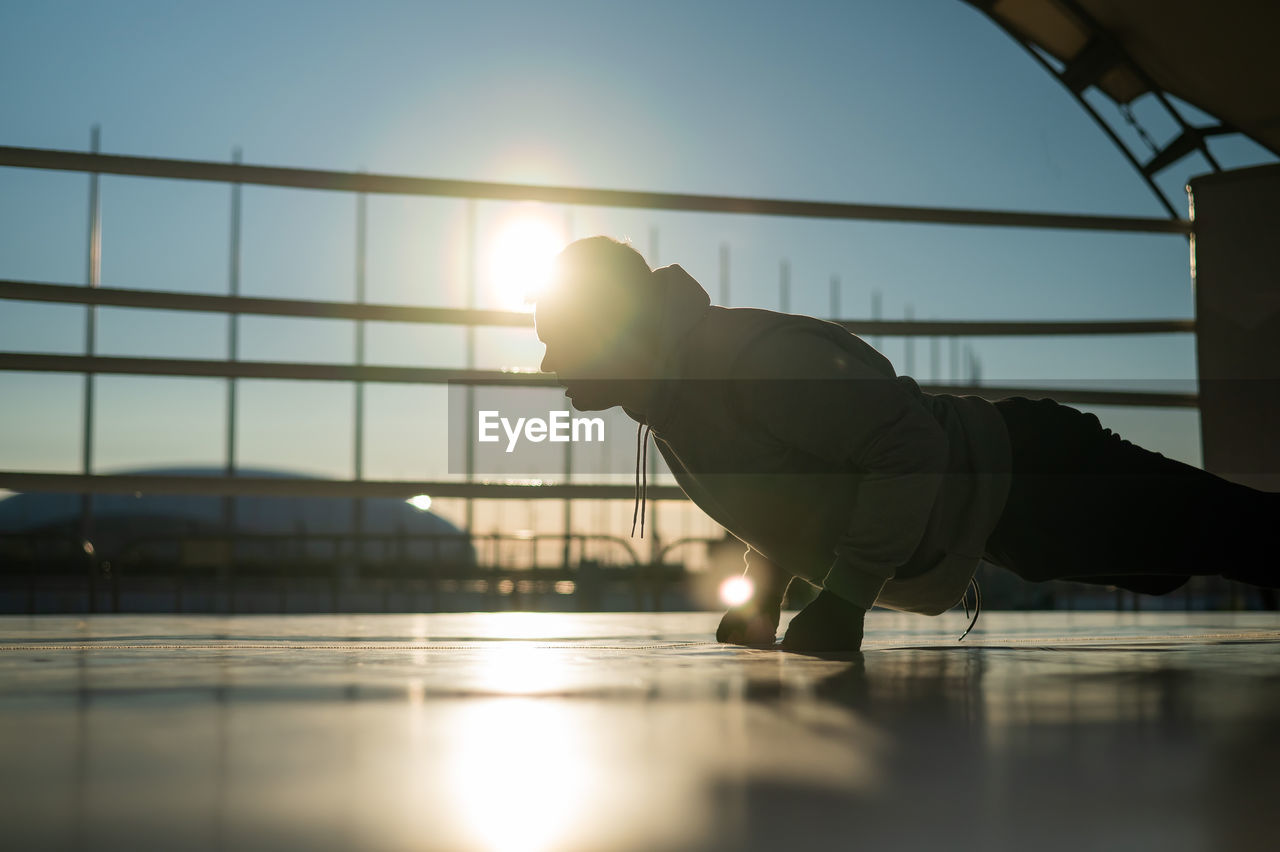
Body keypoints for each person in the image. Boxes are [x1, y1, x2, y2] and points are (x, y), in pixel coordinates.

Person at [532, 236, 1279, 651]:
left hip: (1038, 472)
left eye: (557, 339)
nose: (547, 365)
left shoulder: (752, 362)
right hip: (1003, 510)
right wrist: (766, 595)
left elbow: (908, 445)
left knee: (1240, 538)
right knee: (1186, 557)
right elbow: (789, 490)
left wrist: (847, 598)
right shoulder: (673, 398)